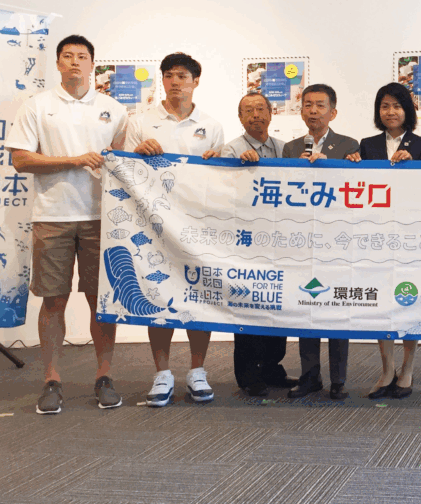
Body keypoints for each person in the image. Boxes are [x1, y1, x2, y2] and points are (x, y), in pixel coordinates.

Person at [5, 35, 128, 414]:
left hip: (101, 217)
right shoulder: (37, 106)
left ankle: (104, 376)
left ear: (93, 65)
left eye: (82, 57)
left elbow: (125, 162)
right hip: (52, 216)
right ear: (58, 63)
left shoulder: (113, 109)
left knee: (99, 300)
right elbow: (20, 160)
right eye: (68, 56)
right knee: (53, 300)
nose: (75, 62)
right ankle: (52, 379)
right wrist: (74, 160)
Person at [123, 52, 224, 407]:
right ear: (162, 80)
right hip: (155, 221)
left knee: (199, 292)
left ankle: (198, 370)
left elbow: (220, 178)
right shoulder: (140, 121)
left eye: (182, 76)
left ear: (196, 81)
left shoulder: (210, 125)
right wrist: (138, 151)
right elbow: (125, 169)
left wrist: (219, 161)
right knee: (157, 291)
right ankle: (162, 373)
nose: (175, 82)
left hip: (198, 222)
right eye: (169, 75)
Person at [345, 83, 421, 399]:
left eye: (397, 106)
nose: (391, 112)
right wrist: (351, 162)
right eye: (384, 106)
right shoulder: (367, 145)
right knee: (381, 303)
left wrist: (415, 165)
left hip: (411, 237)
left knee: (409, 301)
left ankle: (407, 369)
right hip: (376, 238)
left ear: (407, 110)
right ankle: (387, 370)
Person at [205, 92, 298, 397]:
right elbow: (221, 188)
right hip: (246, 240)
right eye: (248, 110)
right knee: (247, 306)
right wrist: (233, 164)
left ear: (271, 114)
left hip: (280, 239)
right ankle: (248, 374)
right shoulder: (232, 149)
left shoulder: (285, 149)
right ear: (240, 118)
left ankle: (272, 367)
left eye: (261, 109)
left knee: (277, 304)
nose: (255, 115)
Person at [282, 83, 359, 400]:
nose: (313, 111)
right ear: (301, 111)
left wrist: (337, 167)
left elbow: (356, 187)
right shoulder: (290, 148)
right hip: (303, 240)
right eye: (307, 105)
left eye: (320, 105)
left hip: (337, 240)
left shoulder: (349, 145)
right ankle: (310, 376)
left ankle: (338, 379)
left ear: (333, 112)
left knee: (337, 308)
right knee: (307, 306)